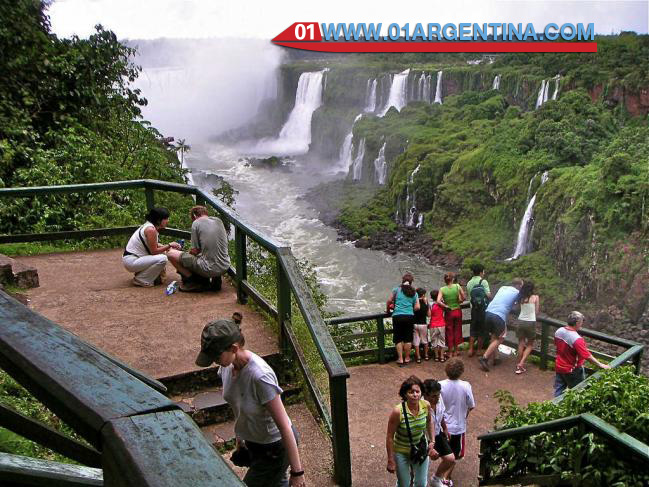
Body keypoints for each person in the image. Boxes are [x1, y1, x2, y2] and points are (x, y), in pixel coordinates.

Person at [195, 319, 305, 487]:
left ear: (233, 348)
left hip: (275, 449)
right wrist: (240, 439)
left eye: (216, 356)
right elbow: (237, 404)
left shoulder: (260, 376)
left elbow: (284, 425)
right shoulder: (226, 367)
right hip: (255, 444)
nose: (213, 361)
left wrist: (297, 473)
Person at [386, 375, 435, 487]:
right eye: (411, 392)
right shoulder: (398, 412)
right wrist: (390, 459)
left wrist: (432, 440)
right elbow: (389, 436)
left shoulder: (425, 405)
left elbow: (429, 421)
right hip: (401, 451)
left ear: (421, 393)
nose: (414, 394)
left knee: (421, 483)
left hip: (420, 448)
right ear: (405, 394)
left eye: (417, 391)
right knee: (404, 483)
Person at [167, 205, 231, 292]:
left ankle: (193, 281)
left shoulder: (196, 223)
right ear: (206, 213)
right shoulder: (218, 221)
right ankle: (216, 281)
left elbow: (195, 251)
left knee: (170, 254)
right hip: (225, 265)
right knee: (212, 252)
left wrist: (184, 254)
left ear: (194, 216)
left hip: (209, 268)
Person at [553, 311, 610, 397]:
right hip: (572, 370)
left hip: (559, 365)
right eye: (581, 322)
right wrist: (600, 364)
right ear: (577, 322)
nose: (582, 324)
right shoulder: (577, 339)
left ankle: (555, 407)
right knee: (578, 392)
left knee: (559, 390)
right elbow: (587, 355)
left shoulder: (559, 331)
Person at [122, 207, 181, 287]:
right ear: (158, 220)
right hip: (132, 261)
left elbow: (153, 245)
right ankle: (141, 280)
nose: (167, 221)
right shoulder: (151, 230)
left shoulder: (149, 226)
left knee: (162, 254)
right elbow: (154, 251)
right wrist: (169, 245)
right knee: (163, 258)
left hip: (132, 258)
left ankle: (142, 274)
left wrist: (167, 247)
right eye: (166, 219)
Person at [478, 278, 524, 372]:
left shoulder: (503, 287)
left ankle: (496, 358)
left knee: (494, 336)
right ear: (519, 286)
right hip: (498, 316)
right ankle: (485, 358)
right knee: (500, 338)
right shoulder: (517, 293)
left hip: (488, 312)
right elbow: (518, 307)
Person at [440, 359, 475, 482]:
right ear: (461, 371)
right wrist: (464, 415)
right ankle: (446, 477)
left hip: (442, 426)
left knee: (445, 452)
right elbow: (471, 405)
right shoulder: (466, 386)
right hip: (458, 427)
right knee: (455, 454)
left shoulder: (440, 385)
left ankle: (443, 475)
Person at [422, 379, 456, 487]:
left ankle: (436, 479)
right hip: (422, 439)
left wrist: (445, 428)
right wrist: (429, 448)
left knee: (450, 459)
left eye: (438, 395)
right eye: (433, 396)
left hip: (437, 433)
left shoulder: (439, 398)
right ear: (425, 395)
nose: (437, 398)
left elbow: (441, 414)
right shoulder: (420, 406)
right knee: (418, 467)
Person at [387, 273, 420, 366]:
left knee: (398, 338)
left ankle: (400, 359)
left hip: (397, 316)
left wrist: (388, 310)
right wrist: (410, 310)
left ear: (402, 280)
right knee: (408, 338)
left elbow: (389, 301)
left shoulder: (396, 290)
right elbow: (417, 307)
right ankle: (407, 357)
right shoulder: (414, 292)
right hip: (409, 316)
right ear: (411, 282)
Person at [437, 273, 466, 358]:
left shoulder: (442, 289)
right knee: (457, 330)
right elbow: (464, 297)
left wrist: (445, 306)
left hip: (449, 312)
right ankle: (456, 351)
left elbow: (438, 301)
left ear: (445, 280)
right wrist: (459, 301)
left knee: (449, 331)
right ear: (452, 279)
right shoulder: (457, 286)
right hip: (457, 311)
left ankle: (450, 352)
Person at [466, 264, 492, 357]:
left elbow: (470, 296)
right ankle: (479, 350)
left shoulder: (469, 283)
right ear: (481, 272)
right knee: (482, 329)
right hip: (483, 309)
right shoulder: (483, 281)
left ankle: (470, 349)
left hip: (473, 309)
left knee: (473, 328)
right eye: (483, 271)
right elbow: (488, 295)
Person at [514, 281, 540, 374]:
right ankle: (521, 363)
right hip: (530, 322)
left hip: (521, 321)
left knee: (521, 343)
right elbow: (536, 312)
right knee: (530, 345)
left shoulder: (521, 298)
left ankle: (518, 365)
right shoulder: (535, 297)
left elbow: (519, 308)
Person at [428, 289, 447, 362]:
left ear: (431, 297)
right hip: (441, 324)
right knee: (442, 341)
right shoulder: (441, 303)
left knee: (434, 341)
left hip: (433, 325)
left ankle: (436, 357)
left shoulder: (430, 304)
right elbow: (446, 309)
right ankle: (442, 357)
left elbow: (429, 315)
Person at [413, 288, 430, 363]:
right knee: (425, 340)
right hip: (423, 324)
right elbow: (429, 315)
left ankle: (418, 357)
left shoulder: (414, 303)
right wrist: (427, 304)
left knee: (416, 341)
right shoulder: (425, 303)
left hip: (415, 324)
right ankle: (426, 355)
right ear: (423, 295)